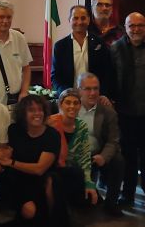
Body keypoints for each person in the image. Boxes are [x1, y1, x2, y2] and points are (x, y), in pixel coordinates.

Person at [109, 12, 145, 211]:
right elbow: (111, 77)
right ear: (125, 28)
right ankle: (128, 195)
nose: (136, 29)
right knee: (128, 157)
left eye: (140, 25)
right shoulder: (116, 48)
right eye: (131, 26)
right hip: (125, 112)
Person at [0, 95, 61, 226]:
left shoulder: (52, 135)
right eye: (31, 110)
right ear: (23, 114)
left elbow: (39, 169)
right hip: (16, 178)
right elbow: (6, 151)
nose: (37, 113)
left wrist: (12, 163)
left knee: (32, 212)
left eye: (40, 109)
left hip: (39, 181)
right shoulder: (14, 130)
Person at [76, 72, 124, 216]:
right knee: (85, 205)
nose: (92, 93)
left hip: (97, 154)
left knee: (118, 160)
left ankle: (111, 203)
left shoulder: (108, 112)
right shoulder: (72, 107)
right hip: (76, 156)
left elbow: (113, 140)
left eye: (96, 88)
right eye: (88, 89)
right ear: (79, 90)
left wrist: (103, 156)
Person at [48, 88, 98, 220]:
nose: (72, 106)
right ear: (60, 104)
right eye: (68, 102)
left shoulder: (81, 126)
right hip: (52, 168)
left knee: (91, 199)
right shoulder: (51, 123)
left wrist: (89, 183)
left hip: (72, 171)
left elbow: (84, 156)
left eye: (76, 103)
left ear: (80, 106)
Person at [51, 5, 113, 95]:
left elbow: (107, 72)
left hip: (94, 96)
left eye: (83, 18)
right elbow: (55, 76)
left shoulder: (99, 43)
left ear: (88, 20)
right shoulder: (60, 46)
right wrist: (64, 92)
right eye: (75, 18)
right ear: (69, 20)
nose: (79, 22)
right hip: (69, 97)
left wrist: (102, 94)